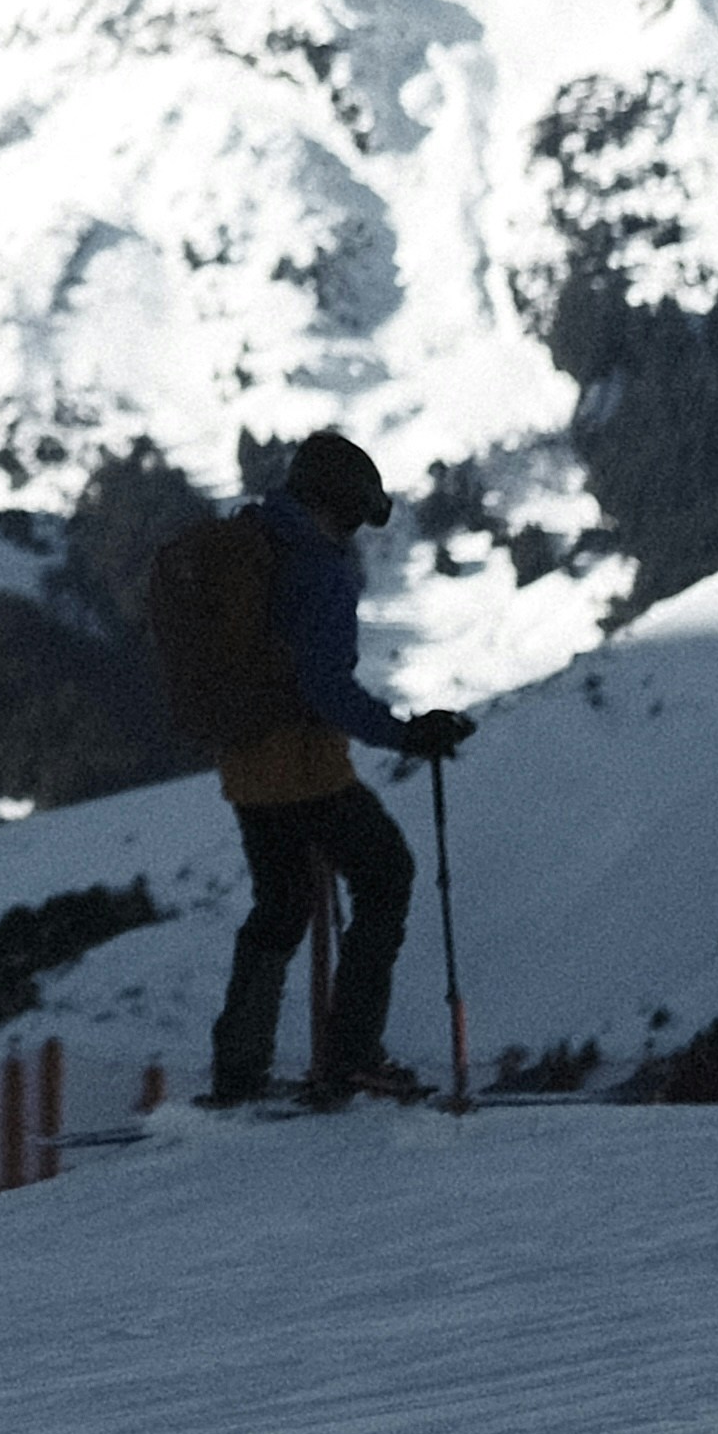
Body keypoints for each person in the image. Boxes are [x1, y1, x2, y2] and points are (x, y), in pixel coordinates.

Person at [201, 433, 473, 1108]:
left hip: (245, 765)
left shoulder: (252, 543)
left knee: (280, 906)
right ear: (335, 505)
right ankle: (352, 1055)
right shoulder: (319, 570)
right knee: (386, 875)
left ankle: (238, 1072)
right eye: (353, 515)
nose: (353, 530)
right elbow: (325, 689)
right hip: (307, 769)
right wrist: (407, 734)